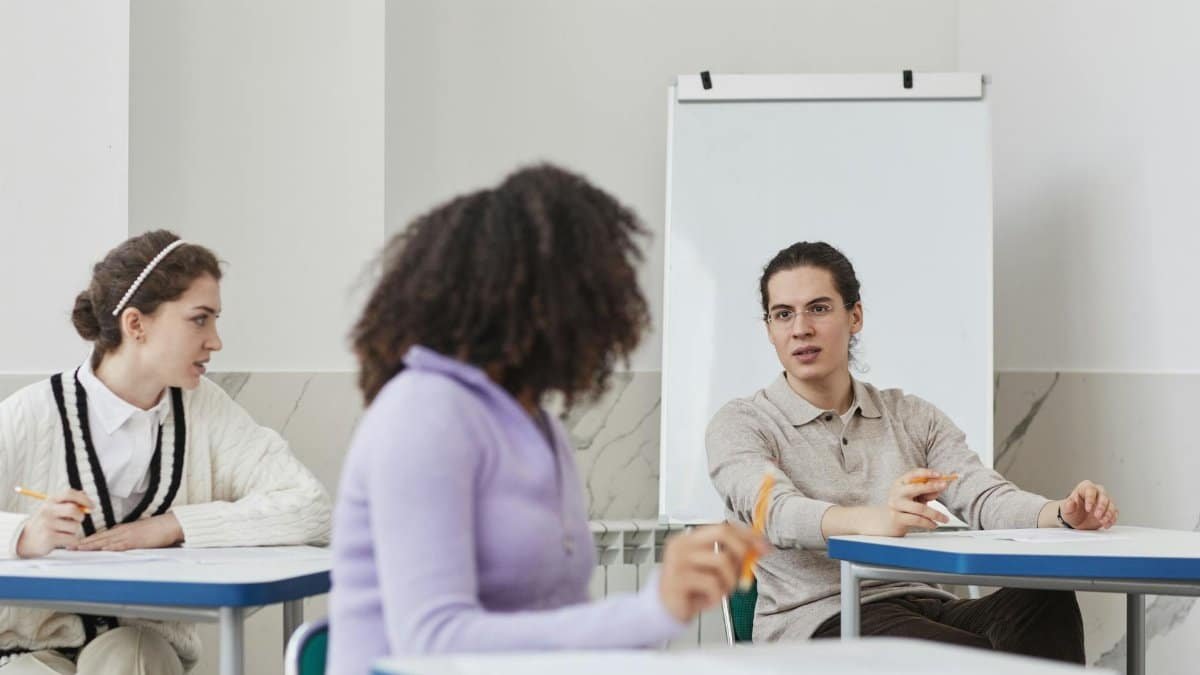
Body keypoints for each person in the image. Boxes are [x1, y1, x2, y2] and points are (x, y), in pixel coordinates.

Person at [329, 164, 765, 674]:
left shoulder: (539, 426)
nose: (608, 323)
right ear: (524, 303)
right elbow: (431, 642)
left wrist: (664, 606)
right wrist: (649, 612)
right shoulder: (424, 412)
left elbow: (554, 624)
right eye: (590, 298)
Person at [706, 241, 1118, 663]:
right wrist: (875, 520)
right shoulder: (743, 423)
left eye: (819, 308)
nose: (800, 328)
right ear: (770, 328)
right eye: (783, 314)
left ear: (855, 316)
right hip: (821, 622)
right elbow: (774, 513)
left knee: (1045, 603)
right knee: (973, 661)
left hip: (924, 604)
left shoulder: (909, 415)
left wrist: (1061, 514)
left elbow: (982, 495)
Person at [0, 231, 332, 674]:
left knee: (134, 655)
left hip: (141, 658)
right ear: (135, 324)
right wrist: (24, 535)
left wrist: (173, 525)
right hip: (30, 655)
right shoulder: (32, 415)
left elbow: (311, 507)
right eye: (200, 319)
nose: (215, 340)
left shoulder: (205, 410)